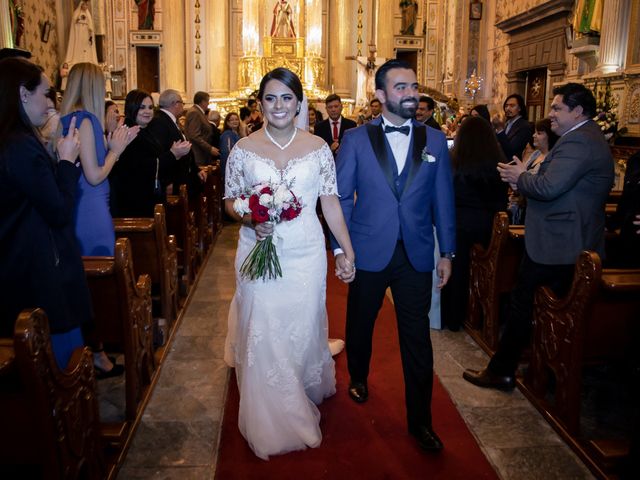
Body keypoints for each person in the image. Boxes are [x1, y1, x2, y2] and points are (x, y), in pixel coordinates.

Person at [223, 67, 355, 460]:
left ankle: (298, 379)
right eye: (270, 98)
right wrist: (251, 217)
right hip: (256, 248)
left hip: (305, 250)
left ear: (299, 103)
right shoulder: (243, 149)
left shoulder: (317, 148)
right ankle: (274, 413)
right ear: (259, 103)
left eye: (286, 98)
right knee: (262, 320)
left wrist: (347, 250)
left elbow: (329, 201)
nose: (278, 106)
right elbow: (230, 201)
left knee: (300, 322)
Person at [333, 59, 456, 452]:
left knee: (417, 337)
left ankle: (420, 421)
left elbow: (444, 200)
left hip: (417, 254)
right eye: (401, 88)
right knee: (360, 322)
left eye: (414, 87)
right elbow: (340, 199)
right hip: (369, 250)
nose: (412, 94)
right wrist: (343, 249)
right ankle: (358, 375)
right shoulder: (355, 140)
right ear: (381, 95)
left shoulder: (434, 140)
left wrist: (447, 251)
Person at [463, 82, 614, 391]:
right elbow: (553, 182)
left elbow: (547, 187)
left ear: (577, 111)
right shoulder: (581, 138)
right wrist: (526, 177)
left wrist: (522, 178)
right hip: (563, 239)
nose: (551, 114)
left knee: (523, 303)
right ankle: (517, 368)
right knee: (526, 303)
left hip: (560, 242)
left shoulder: (579, 142)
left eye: (557, 108)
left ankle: (504, 370)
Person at [0, 57, 90, 370]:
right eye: (46, 93)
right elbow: (58, 212)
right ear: (23, 94)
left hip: (20, 264)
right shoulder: (20, 146)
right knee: (59, 370)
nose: (50, 102)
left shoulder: (13, 141)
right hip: (37, 273)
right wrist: (66, 162)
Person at [60, 62, 138, 377]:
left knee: (85, 280)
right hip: (91, 208)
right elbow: (94, 175)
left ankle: (91, 348)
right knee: (101, 279)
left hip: (75, 208)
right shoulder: (87, 119)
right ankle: (99, 351)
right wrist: (117, 151)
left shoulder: (65, 118)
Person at [440, 116, 508, 331]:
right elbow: (502, 199)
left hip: (459, 224)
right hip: (488, 227)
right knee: (480, 272)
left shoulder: (455, 160)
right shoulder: (497, 160)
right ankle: (478, 317)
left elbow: (448, 196)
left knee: (456, 271)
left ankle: (452, 317)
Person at [109, 89, 189, 218]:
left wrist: (174, 153)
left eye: (150, 107)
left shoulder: (146, 130)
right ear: (132, 108)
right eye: (142, 108)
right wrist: (173, 154)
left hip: (150, 196)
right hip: (136, 200)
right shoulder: (129, 132)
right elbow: (142, 167)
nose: (147, 111)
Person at [146, 89, 206, 200]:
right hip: (174, 182)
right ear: (175, 104)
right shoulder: (159, 122)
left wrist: (196, 169)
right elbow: (160, 153)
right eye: (182, 103)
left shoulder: (170, 120)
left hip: (183, 179)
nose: (183, 106)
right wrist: (166, 181)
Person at [508, 118, 559, 225]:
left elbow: (538, 185)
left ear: (550, 136)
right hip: (523, 206)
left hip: (537, 209)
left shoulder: (552, 159)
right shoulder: (536, 154)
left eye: (539, 133)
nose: (534, 136)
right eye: (535, 132)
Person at [493, 94, 533, 161]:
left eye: (512, 106)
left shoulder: (524, 126)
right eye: (506, 106)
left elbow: (511, 151)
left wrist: (500, 129)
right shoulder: (507, 123)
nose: (508, 108)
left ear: (520, 108)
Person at [185, 91, 219, 166]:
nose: (208, 104)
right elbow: (194, 135)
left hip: (202, 154)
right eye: (207, 101)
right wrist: (209, 148)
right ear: (203, 102)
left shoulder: (198, 112)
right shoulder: (195, 113)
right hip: (198, 155)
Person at [64, 0, 98, 66]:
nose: (86, 6)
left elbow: (90, 25)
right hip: (79, 32)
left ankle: (86, 59)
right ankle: (78, 59)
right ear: (81, 5)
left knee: (86, 46)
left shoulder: (88, 15)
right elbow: (74, 21)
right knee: (79, 46)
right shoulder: (77, 13)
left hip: (86, 33)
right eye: (84, 5)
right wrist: (78, 19)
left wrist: (90, 31)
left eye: (87, 5)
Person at [219, 112, 241, 180]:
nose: (235, 121)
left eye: (236, 119)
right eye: (232, 120)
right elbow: (227, 153)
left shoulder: (236, 133)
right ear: (227, 122)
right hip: (231, 167)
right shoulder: (227, 135)